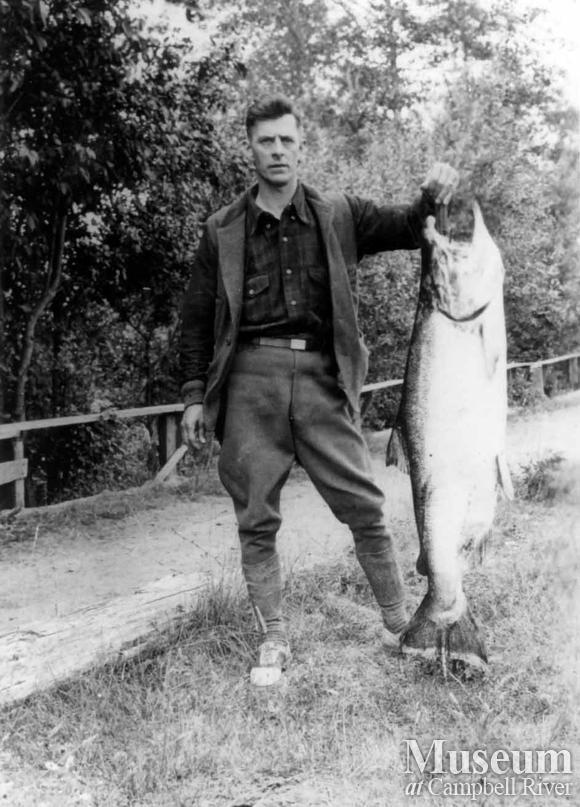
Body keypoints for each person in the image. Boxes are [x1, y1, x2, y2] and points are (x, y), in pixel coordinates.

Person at [180, 94, 458, 686]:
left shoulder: (338, 213)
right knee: (256, 518)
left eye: (286, 140)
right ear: (249, 148)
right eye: (265, 141)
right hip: (249, 383)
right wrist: (188, 396)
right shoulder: (221, 230)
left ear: (301, 146)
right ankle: (273, 638)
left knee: (365, 506)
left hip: (321, 381)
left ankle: (401, 622)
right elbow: (196, 319)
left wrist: (432, 196)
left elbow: (410, 226)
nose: (276, 151)